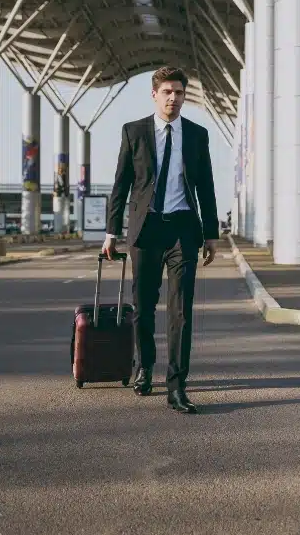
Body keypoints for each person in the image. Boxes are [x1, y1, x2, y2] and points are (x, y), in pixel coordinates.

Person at [103, 66, 219, 414]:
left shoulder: (197, 135)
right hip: (146, 229)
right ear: (154, 95)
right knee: (144, 305)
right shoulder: (134, 131)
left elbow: (207, 188)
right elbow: (121, 185)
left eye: (179, 92)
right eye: (167, 92)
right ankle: (144, 368)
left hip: (183, 228)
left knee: (181, 309)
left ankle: (177, 385)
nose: (173, 98)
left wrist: (211, 233)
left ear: (185, 96)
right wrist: (111, 232)